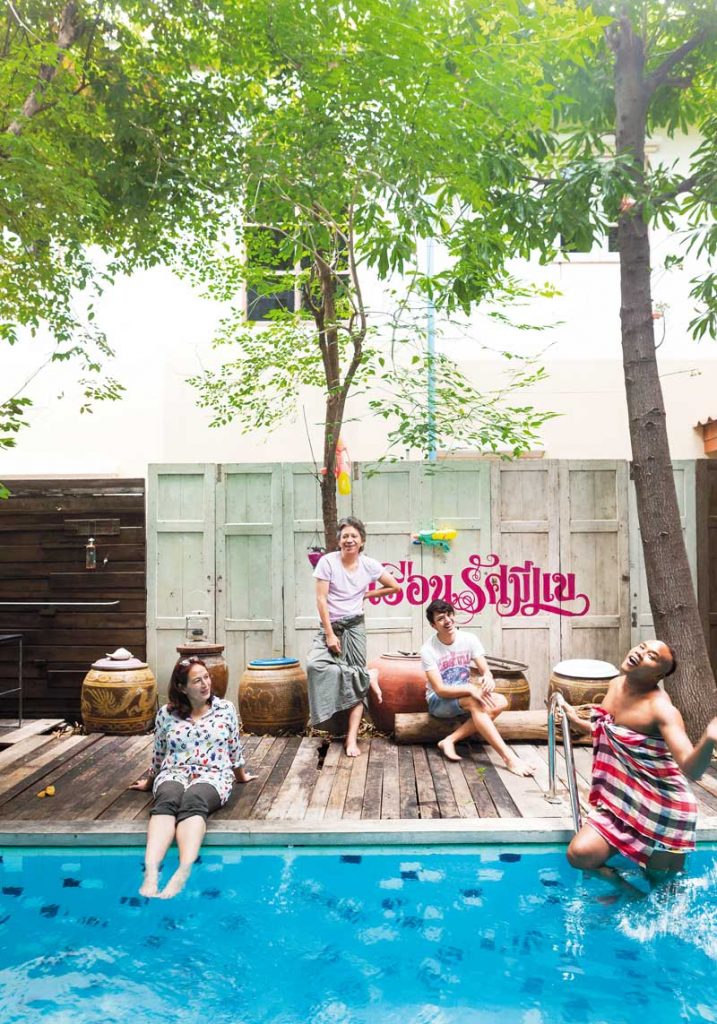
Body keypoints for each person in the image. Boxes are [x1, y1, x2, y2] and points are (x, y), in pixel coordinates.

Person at [563, 639, 717, 879]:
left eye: (652, 656)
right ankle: (631, 894)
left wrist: (709, 738)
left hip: (665, 808)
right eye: (642, 647)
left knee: (660, 887)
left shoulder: (661, 710)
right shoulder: (616, 684)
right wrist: (577, 722)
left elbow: (691, 769)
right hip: (621, 800)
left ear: (658, 675)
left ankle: (642, 897)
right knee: (579, 855)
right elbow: (608, 728)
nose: (640, 652)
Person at [130, 656, 256, 899]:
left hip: (214, 775)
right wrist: (149, 782)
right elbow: (158, 753)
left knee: (194, 801)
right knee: (167, 800)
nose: (205, 684)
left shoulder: (225, 709)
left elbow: (234, 748)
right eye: (197, 681)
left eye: (206, 678)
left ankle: (183, 870)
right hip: (174, 772)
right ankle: (151, 872)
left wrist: (240, 776)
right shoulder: (166, 714)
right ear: (182, 687)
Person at [307, 516, 401, 757]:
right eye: (345, 536)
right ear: (339, 541)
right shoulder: (327, 562)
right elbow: (321, 599)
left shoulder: (369, 565)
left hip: (355, 626)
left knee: (356, 681)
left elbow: (395, 586)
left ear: (362, 541)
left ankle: (351, 739)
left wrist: (366, 595)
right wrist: (330, 634)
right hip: (331, 627)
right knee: (315, 666)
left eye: (354, 536)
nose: (349, 540)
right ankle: (368, 675)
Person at [420, 599, 534, 776]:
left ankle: (450, 740)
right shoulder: (428, 649)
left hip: (463, 697)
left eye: (449, 615)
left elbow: (485, 670)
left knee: (501, 701)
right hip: (438, 701)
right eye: (441, 618)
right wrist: (471, 689)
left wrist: (488, 678)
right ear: (433, 625)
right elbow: (440, 689)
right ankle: (509, 758)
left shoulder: (469, 639)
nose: (447, 620)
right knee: (476, 702)